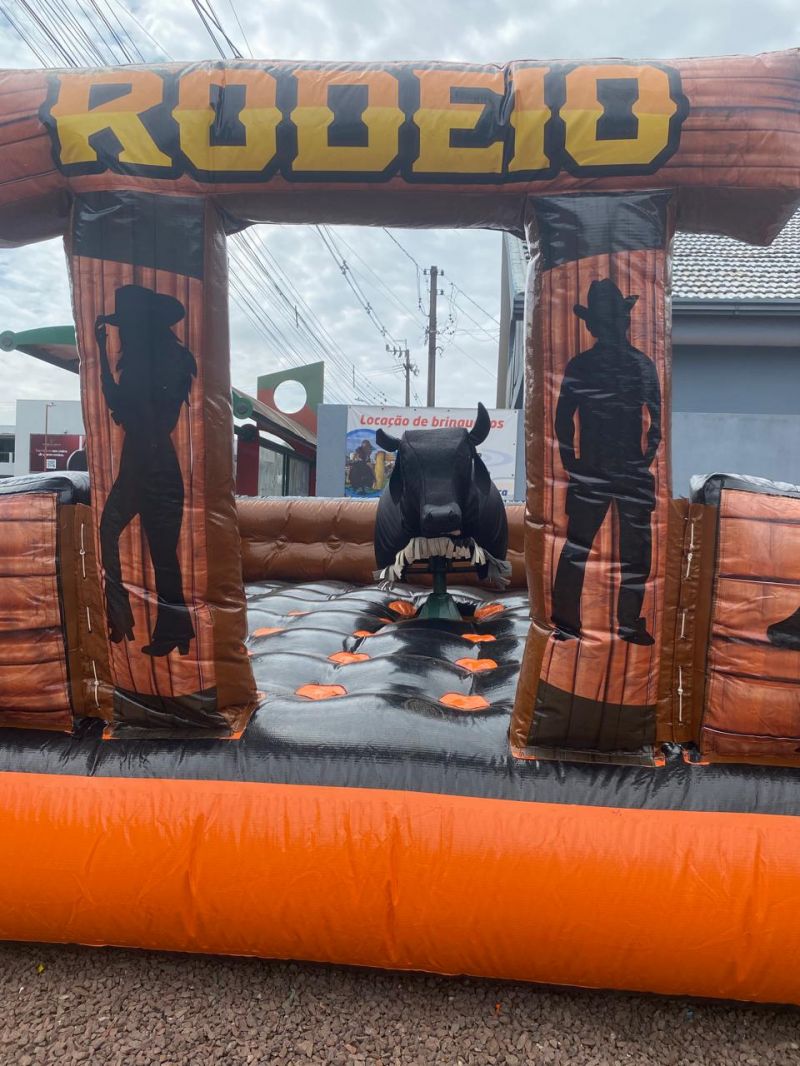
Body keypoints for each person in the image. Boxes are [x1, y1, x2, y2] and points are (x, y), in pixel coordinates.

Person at [551, 278, 661, 646]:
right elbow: (563, 420)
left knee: (629, 551)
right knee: (583, 548)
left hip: (617, 470)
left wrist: (641, 460)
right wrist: (573, 462)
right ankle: (570, 623)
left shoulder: (632, 365)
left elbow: (656, 422)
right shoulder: (591, 365)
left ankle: (619, 624)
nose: (613, 327)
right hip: (600, 469)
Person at [95, 284, 197, 657]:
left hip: (147, 463)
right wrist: (102, 354)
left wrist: (103, 357)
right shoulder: (158, 363)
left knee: (151, 550)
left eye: (127, 326)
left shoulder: (154, 366)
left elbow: (126, 407)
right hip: (152, 463)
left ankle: (139, 622)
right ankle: (167, 628)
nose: (123, 333)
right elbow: (122, 404)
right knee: (160, 554)